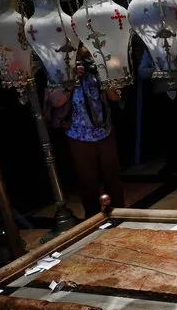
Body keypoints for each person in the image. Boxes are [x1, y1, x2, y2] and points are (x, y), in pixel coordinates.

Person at [48, 46, 125, 218]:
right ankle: (93, 219)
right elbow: (56, 102)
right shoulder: (59, 69)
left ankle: (121, 214)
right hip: (78, 135)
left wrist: (103, 71)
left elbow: (115, 97)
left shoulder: (97, 67)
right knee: (87, 181)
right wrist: (71, 78)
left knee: (112, 177)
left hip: (104, 130)